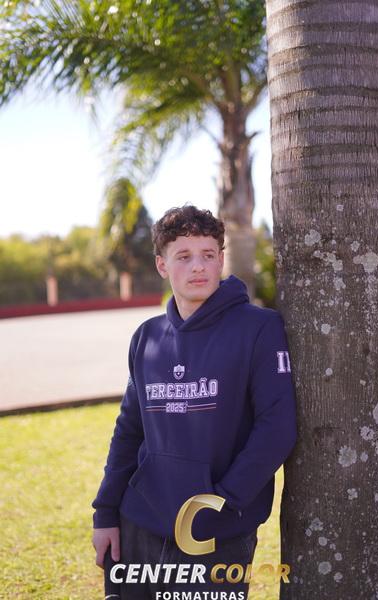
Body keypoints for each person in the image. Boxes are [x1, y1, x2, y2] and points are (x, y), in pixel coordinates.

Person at [92, 205, 297, 600]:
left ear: (221, 259)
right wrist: (105, 514)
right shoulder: (146, 337)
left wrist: (221, 501)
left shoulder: (260, 328)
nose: (198, 266)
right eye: (183, 256)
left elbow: (277, 428)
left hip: (216, 533)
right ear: (162, 265)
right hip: (139, 522)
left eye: (208, 254)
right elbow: (129, 431)